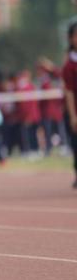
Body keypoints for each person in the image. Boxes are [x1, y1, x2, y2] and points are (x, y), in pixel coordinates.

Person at [61, 21, 77, 189]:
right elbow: (70, 92)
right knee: (76, 145)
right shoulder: (69, 66)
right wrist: (73, 116)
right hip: (74, 110)